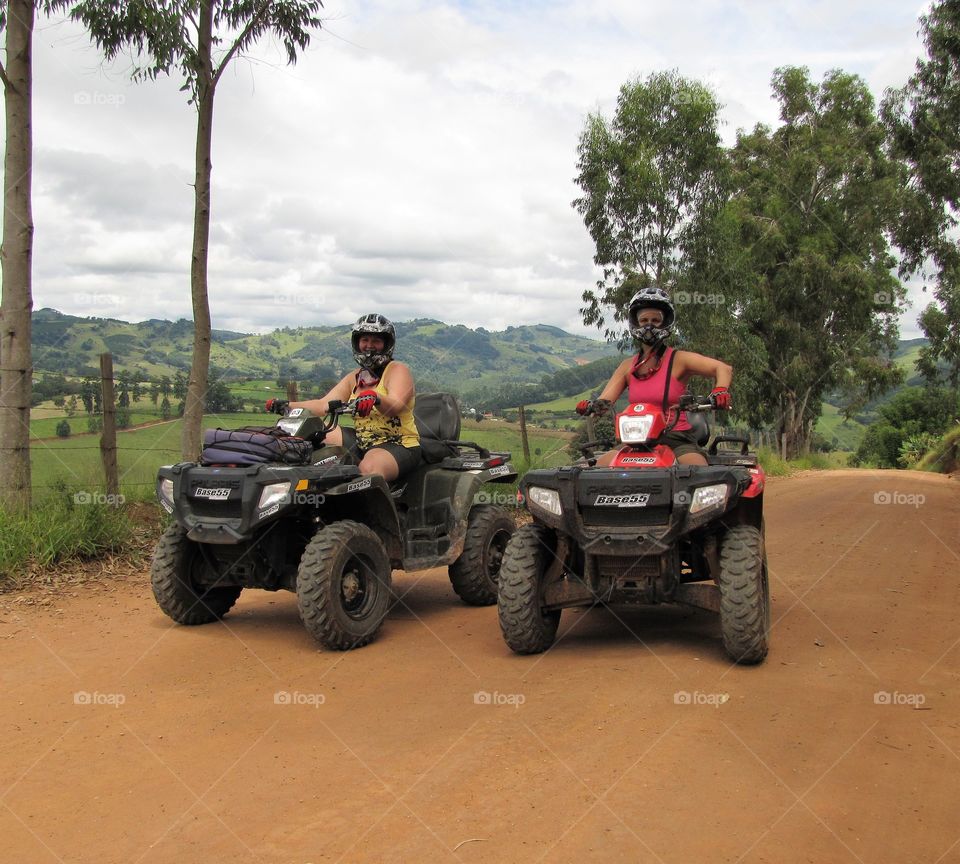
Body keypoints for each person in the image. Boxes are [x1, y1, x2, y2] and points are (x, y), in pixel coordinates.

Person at [576, 284, 732, 466]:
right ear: (635, 323)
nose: (649, 325)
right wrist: (591, 406)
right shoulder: (627, 366)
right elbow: (605, 402)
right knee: (600, 470)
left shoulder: (679, 360)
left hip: (676, 438)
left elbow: (723, 368)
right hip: (636, 440)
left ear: (665, 322)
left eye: (655, 320)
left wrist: (720, 390)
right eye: (644, 320)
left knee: (697, 472)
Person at [269, 313, 422, 482]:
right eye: (364, 340)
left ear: (386, 344)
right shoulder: (355, 377)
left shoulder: (397, 370)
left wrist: (376, 398)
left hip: (398, 444)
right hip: (361, 441)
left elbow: (395, 406)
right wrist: (287, 405)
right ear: (357, 343)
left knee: (369, 469)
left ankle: (366, 506)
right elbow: (322, 405)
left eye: (376, 341)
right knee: (310, 435)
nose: (369, 346)